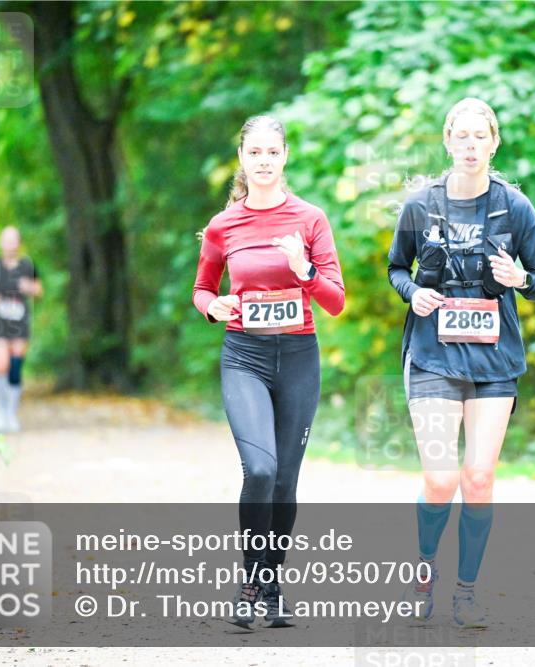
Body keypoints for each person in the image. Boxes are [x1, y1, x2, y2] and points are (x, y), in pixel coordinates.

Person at [387, 97, 535, 627]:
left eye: (480, 137)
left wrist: (519, 280)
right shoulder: (421, 205)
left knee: (478, 477)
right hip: (433, 354)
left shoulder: (515, 207)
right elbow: (396, 269)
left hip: (494, 358)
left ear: (494, 143)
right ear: (447, 141)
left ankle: (467, 592)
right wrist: (413, 292)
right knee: (440, 479)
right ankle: (424, 570)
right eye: (461, 136)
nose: (470, 146)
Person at [192, 115, 345, 630]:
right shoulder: (223, 224)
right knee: (259, 470)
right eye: (254, 153)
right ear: (242, 158)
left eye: (272, 153)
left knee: (284, 480)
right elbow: (202, 288)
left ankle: (273, 584)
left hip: (299, 358)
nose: (263, 161)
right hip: (245, 357)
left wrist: (304, 270)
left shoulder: (310, 218)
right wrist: (211, 307)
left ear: (284, 158)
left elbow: (337, 301)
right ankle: (249, 582)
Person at [0, 226, 42, 433]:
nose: (9, 244)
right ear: (0, 243)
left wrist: (29, 287)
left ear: (19, 243)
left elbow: (39, 290)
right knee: (1, 365)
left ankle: (11, 412)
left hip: (20, 321)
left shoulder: (27, 266)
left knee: (15, 367)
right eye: (6, 240)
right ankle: (0, 409)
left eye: (13, 240)